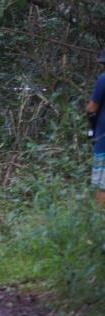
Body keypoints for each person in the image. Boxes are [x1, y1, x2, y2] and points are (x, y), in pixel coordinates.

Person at [86, 49, 105, 207]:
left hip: (103, 139)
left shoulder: (103, 79)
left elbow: (92, 107)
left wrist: (91, 130)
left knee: (102, 184)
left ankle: (101, 221)